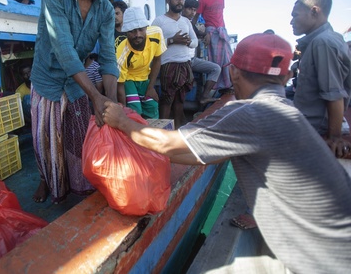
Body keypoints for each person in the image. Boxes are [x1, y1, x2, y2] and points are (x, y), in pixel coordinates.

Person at [102, 33, 351, 274]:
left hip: (323, 256)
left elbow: (171, 145)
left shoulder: (251, 113)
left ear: (233, 72)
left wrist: (122, 122)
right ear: (286, 77)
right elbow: (200, 154)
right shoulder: (287, 109)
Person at [29, 0, 121, 204]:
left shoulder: (105, 9)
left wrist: (111, 103)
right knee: (44, 141)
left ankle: (74, 186)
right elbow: (64, 49)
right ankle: (45, 180)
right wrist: (96, 96)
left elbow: (107, 55)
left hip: (76, 84)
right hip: (47, 80)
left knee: (77, 140)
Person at [291, 0, 351, 157]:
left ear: (314, 11)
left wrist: (334, 138)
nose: (291, 21)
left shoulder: (322, 43)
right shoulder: (324, 40)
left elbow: (334, 94)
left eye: (295, 15)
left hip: (314, 132)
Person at [151, 0, 196, 128]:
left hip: (185, 64)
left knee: (180, 101)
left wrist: (188, 42)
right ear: (168, 0)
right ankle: (162, 131)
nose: (180, 2)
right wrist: (171, 40)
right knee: (167, 100)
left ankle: (177, 131)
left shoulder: (186, 21)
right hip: (168, 65)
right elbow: (152, 46)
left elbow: (195, 42)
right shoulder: (159, 21)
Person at [116, 7, 165, 119]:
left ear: (146, 27)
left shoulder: (156, 33)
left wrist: (151, 87)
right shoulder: (122, 52)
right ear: (126, 32)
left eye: (141, 29)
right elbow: (120, 85)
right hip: (129, 80)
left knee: (152, 106)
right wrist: (123, 109)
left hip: (145, 78)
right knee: (134, 110)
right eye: (132, 31)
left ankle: (152, 134)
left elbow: (157, 60)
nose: (137, 34)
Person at [192, 0, 233, 92]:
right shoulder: (203, 0)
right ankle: (218, 86)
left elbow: (220, 15)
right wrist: (200, 32)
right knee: (216, 59)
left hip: (222, 30)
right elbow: (196, 17)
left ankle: (227, 84)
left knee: (228, 58)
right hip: (211, 31)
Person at [180, 0, 221, 106]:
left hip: (192, 60)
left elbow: (198, 33)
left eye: (194, 10)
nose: (192, 12)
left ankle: (204, 96)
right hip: (181, 60)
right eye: (189, 9)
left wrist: (207, 34)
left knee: (216, 68)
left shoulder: (191, 24)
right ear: (183, 8)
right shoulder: (179, 22)